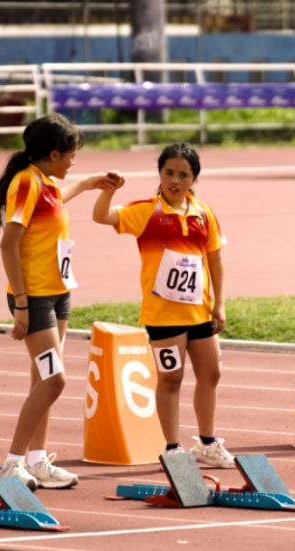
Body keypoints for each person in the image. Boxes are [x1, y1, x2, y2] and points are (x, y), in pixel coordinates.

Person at [0, 113, 124, 490]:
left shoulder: (45, 182)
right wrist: (20, 302)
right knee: (54, 380)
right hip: (34, 298)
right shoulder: (25, 183)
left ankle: (36, 461)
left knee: (41, 378)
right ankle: (11, 463)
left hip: (59, 294)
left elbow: (56, 198)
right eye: (71, 156)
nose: (73, 162)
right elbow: (8, 243)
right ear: (52, 153)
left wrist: (89, 183)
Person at [92, 142, 235, 468]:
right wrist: (109, 191)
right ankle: (173, 449)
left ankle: (208, 444)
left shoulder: (204, 214)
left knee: (211, 374)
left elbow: (216, 260)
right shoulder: (146, 210)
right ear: (160, 173)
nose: (175, 180)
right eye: (168, 172)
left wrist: (220, 303)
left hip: (199, 312)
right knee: (171, 379)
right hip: (163, 316)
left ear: (193, 179)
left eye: (183, 175)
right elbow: (101, 216)